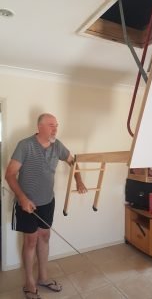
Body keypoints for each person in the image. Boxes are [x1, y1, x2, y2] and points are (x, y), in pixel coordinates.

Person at [5, 113, 87, 299]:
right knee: (31, 241)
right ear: (40, 126)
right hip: (27, 204)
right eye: (51, 125)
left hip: (47, 202)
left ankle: (43, 277)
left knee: (45, 236)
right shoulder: (24, 145)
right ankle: (29, 282)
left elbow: (73, 162)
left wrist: (78, 180)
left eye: (56, 125)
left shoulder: (57, 146)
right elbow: (9, 174)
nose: (55, 129)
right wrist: (23, 199)